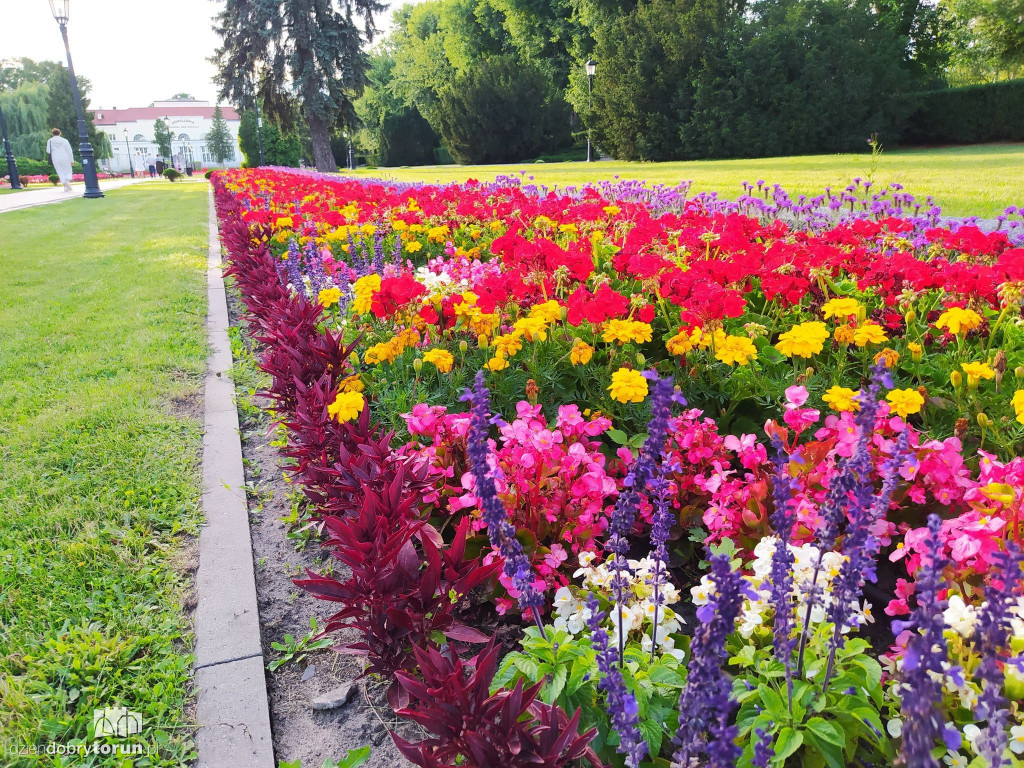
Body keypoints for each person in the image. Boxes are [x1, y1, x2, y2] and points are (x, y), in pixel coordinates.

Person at [46, 128, 75, 192]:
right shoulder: (64, 140)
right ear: (60, 133)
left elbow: (48, 151)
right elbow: (69, 151)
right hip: (65, 157)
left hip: (55, 158)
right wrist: (71, 160)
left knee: (60, 171)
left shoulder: (50, 141)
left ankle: (65, 185)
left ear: (52, 133)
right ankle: (67, 180)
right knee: (68, 171)